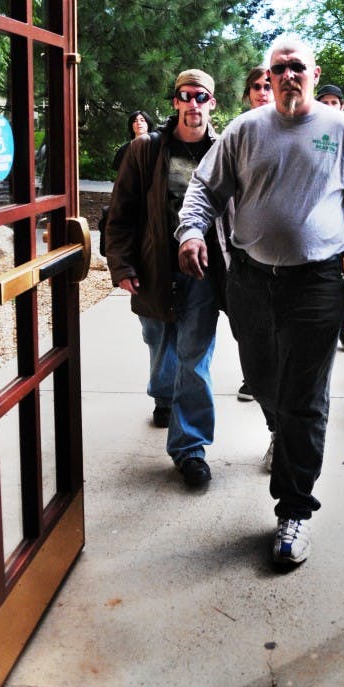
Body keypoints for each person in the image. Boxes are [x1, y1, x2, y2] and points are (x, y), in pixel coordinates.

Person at [177, 33, 344, 567]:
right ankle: (285, 432)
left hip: (317, 285)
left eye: (298, 66)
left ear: (314, 74)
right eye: (278, 68)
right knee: (264, 381)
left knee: (305, 396)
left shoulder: (341, 130)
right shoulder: (245, 130)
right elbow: (205, 189)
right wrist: (191, 231)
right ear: (267, 77)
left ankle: (293, 509)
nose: (288, 75)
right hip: (250, 281)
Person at [104, 69, 226, 488]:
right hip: (155, 268)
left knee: (195, 358)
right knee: (160, 343)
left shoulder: (223, 150)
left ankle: (190, 448)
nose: (194, 104)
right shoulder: (145, 150)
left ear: (213, 102)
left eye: (202, 97)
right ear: (175, 101)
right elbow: (120, 214)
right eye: (185, 96)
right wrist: (121, 266)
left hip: (204, 274)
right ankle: (163, 395)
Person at [235, 65, 275, 403]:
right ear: (248, 93)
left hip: (284, 252)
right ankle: (253, 377)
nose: (263, 92)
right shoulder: (238, 133)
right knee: (248, 327)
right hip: (243, 250)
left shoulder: (291, 128)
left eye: (268, 86)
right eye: (256, 87)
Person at [316, 82, 344, 352]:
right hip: (321, 233)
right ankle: (327, 331)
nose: (330, 107)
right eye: (325, 102)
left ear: (342, 106)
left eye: (335, 103)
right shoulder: (313, 136)